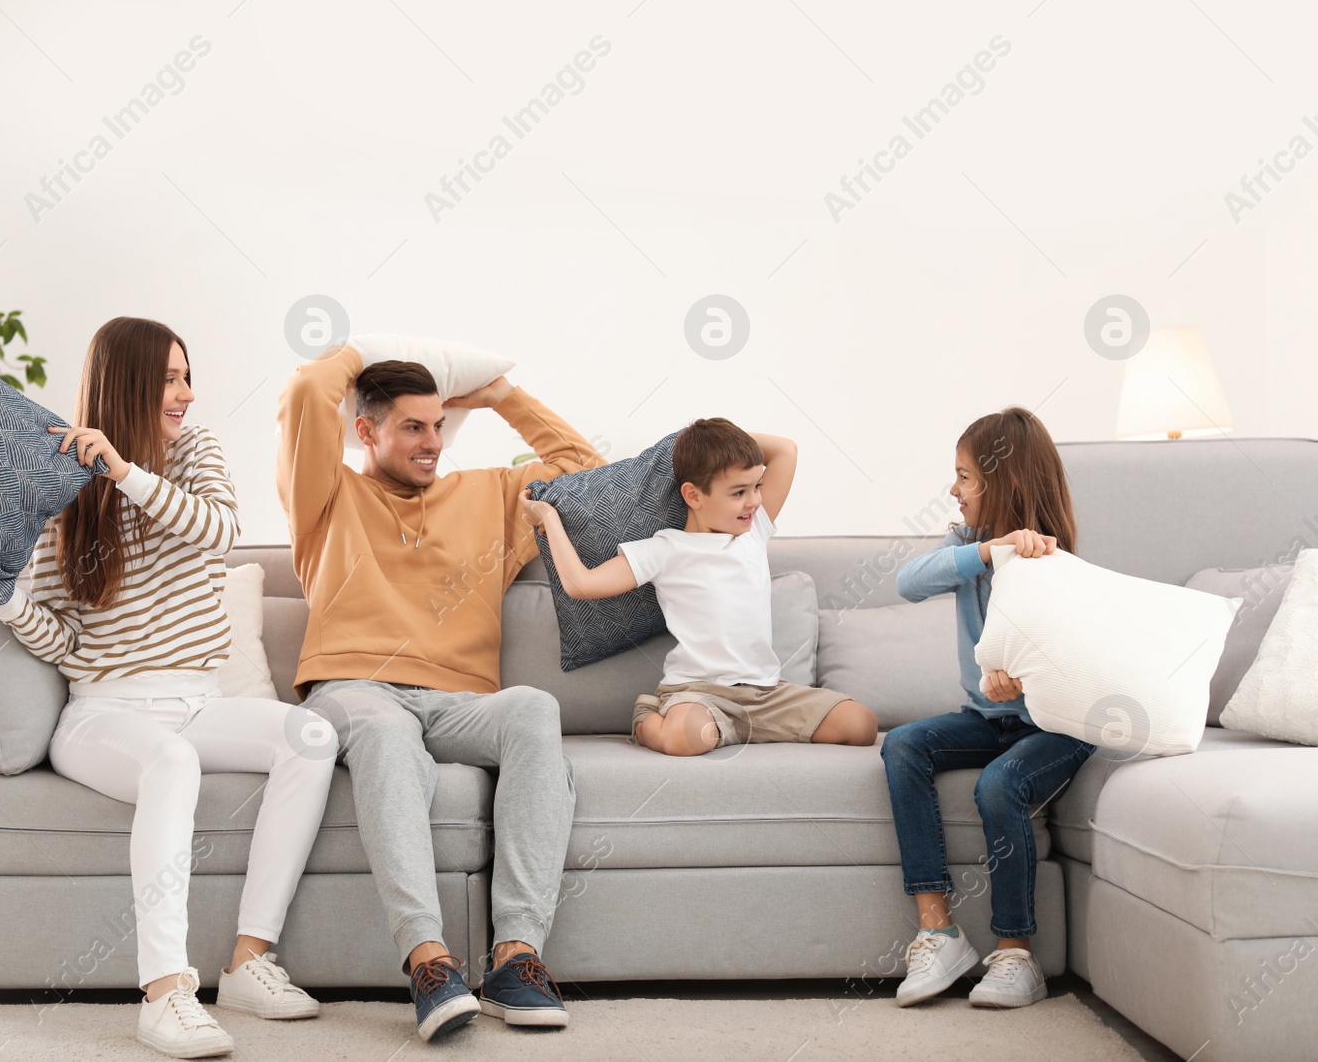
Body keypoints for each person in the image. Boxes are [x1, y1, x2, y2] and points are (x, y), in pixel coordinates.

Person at [0, 317, 337, 1059]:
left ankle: (251, 959)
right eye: (168, 379)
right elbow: (62, 640)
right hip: (103, 714)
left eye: (188, 376)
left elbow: (219, 532)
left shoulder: (196, 452)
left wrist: (127, 472)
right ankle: (164, 995)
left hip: (200, 699)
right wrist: (5, 601)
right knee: (170, 763)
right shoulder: (63, 493)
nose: (186, 394)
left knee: (310, 734)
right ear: (124, 383)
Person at [276, 346, 603, 1041]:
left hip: (458, 700)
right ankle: (429, 961)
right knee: (390, 736)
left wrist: (501, 395)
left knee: (534, 709)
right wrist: (369, 354)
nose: (432, 443)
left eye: (438, 425)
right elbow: (308, 390)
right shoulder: (325, 496)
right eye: (413, 428)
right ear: (365, 432)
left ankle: (516, 956)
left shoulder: (487, 495)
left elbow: (588, 475)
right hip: (355, 686)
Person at [882, 406, 1094, 1010]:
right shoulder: (969, 547)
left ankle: (1016, 955)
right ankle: (938, 931)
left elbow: (1074, 663)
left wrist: (1023, 685)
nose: (953, 490)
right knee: (903, 744)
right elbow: (908, 582)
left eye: (965, 477)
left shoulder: (1057, 562)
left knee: (1000, 785)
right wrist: (986, 551)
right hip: (987, 719)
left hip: (1058, 723)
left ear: (1005, 483)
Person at [521, 417, 878, 755]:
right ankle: (650, 721)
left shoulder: (754, 530)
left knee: (861, 725)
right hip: (699, 694)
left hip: (768, 694)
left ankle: (735, 730)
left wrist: (704, 436)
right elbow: (581, 585)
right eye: (738, 492)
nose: (754, 500)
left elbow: (785, 449)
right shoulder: (665, 549)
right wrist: (550, 519)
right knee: (689, 737)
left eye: (756, 486)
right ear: (693, 495)